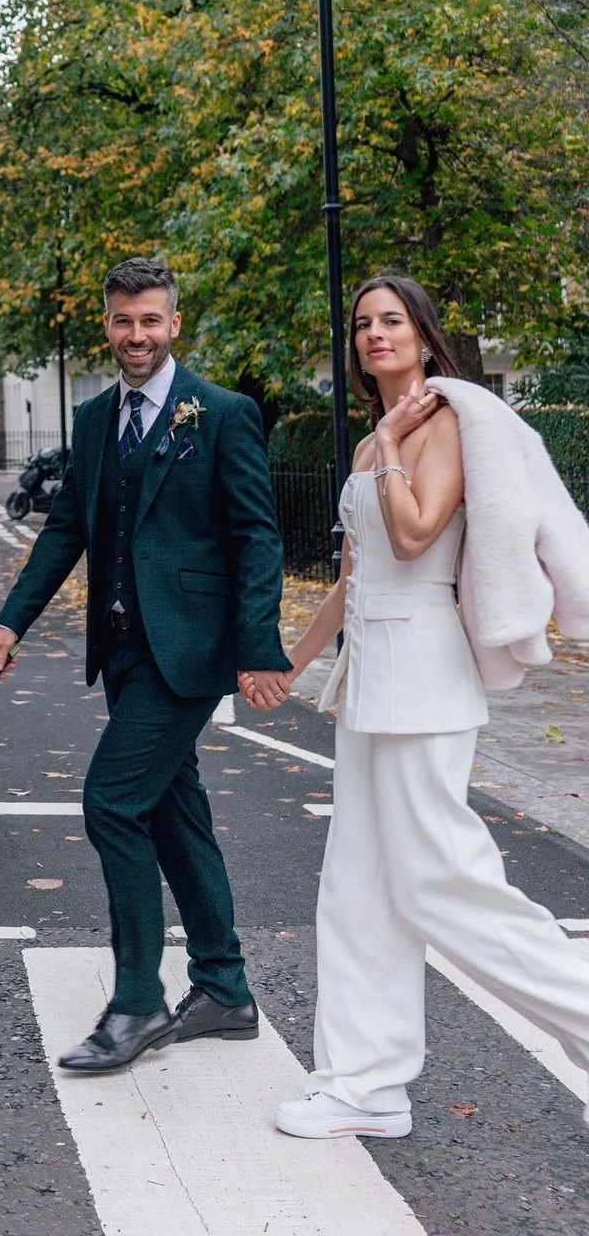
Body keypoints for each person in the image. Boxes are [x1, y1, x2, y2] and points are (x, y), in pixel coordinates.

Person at [254, 272, 589, 1139]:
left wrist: (397, 444)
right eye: (363, 323)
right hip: (373, 675)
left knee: (443, 878)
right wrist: (282, 662)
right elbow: (356, 573)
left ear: (423, 334)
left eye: (391, 320)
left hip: (425, 677)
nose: (374, 334)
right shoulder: (379, 440)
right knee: (358, 888)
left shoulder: (440, 424)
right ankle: (365, 1087)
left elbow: (415, 534)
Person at [0, 256, 291, 1073]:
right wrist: (11, 623)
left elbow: (258, 536)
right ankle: (225, 989)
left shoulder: (221, 414)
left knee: (112, 803)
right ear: (106, 325)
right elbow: (66, 530)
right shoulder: (92, 419)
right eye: (123, 321)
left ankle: (138, 1002)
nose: (137, 335)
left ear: (174, 324)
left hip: (189, 652)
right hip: (122, 651)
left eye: (151, 320)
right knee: (172, 811)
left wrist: (259, 647)